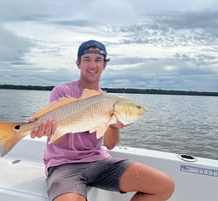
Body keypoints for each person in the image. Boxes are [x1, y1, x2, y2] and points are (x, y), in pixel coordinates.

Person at [29, 40, 174, 201]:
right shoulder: (62, 92)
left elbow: (110, 145)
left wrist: (114, 126)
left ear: (104, 65)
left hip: (99, 162)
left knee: (164, 185)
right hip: (64, 165)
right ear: (78, 63)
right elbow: (58, 141)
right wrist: (48, 129)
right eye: (87, 59)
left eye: (98, 60)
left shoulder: (106, 100)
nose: (93, 65)